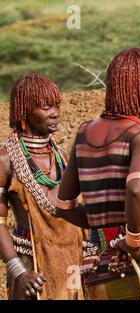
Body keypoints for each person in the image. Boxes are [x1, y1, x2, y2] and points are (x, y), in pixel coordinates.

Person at [56, 48, 140, 300]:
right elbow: (136, 188)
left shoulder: (84, 133)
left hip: (100, 265)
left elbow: (63, 205)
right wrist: (133, 239)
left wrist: (102, 228)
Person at [0, 73, 84, 300]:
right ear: (25, 110)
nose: (55, 113)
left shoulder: (62, 156)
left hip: (70, 261)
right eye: (46, 107)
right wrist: (19, 272)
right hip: (31, 264)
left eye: (57, 105)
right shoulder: (5, 160)